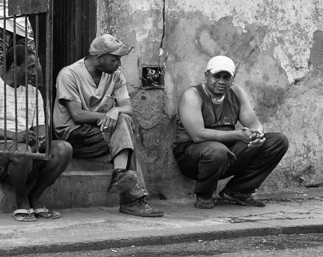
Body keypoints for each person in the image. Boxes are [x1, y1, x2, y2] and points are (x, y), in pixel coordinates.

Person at [53, 34, 163, 217]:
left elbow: (127, 108)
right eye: (115, 59)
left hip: (100, 132)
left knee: (124, 125)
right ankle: (132, 199)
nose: (119, 64)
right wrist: (109, 114)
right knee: (126, 137)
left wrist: (116, 111)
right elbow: (77, 115)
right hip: (73, 133)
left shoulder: (116, 76)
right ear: (99, 57)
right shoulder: (69, 74)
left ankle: (120, 174)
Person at [0, 44, 73, 222]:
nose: (35, 72)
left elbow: (41, 126)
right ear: (13, 67)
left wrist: (40, 140)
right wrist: (15, 136)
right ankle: (21, 201)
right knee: (22, 150)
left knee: (63, 149)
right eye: (30, 68)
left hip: (24, 152)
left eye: (36, 67)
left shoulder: (33, 92)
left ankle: (35, 197)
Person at [173, 55, 288, 209]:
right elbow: (198, 135)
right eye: (216, 76)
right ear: (206, 75)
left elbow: (254, 123)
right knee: (217, 150)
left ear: (233, 78)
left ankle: (238, 190)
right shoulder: (192, 95)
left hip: (226, 152)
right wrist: (238, 135)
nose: (221, 81)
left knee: (277, 141)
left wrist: (257, 135)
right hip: (192, 157)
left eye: (226, 77)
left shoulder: (236, 92)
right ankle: (204, 196)